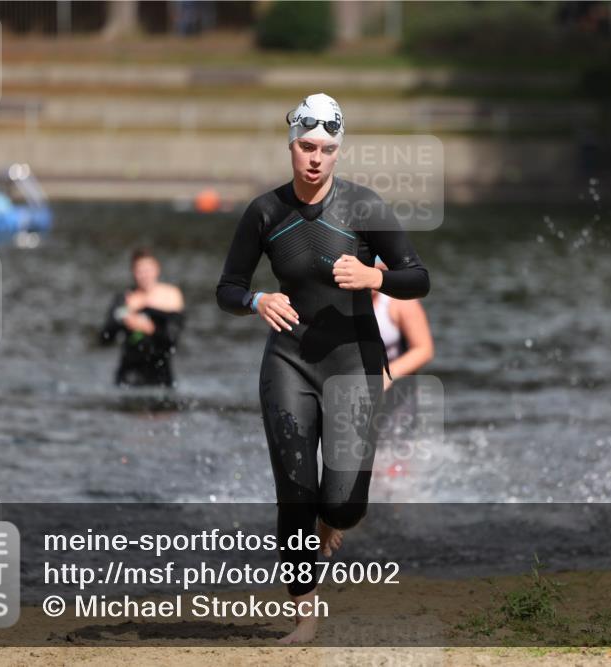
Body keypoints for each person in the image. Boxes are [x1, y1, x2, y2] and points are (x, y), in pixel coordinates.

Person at [216, 93, 430, 643]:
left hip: (353, 363)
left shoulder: (365, 208)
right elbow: (228, 287)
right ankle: (305, 613)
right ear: (291, 145)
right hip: (287, 359)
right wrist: (255, 302)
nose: (316, 158)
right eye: (307, 146)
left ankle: (331, 522)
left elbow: (418, 276)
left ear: (338, 152)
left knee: (343, 504)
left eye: (327, 149)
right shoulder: (265, 212)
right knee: (294, 487)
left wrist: (375, 278)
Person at [100, 248, 185, 387]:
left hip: (161, 373)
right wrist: (124, 319)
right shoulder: (124, 299)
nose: (145, 275)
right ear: (133, 272)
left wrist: (149, 325)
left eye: (148, 270)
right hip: (128, 374)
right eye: (140, 271)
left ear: (157, 269)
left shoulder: (171, 298)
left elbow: (173, 341)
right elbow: (104, 337)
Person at [372, 259, 434, 385]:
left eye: (380, 271)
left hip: (394, 385)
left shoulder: (400, 301)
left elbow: (424, 349)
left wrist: (387, 375)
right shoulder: (340, 296)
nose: (373, 275)